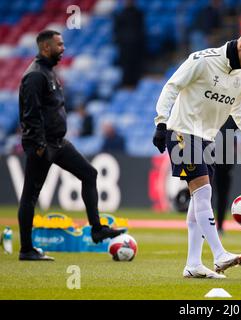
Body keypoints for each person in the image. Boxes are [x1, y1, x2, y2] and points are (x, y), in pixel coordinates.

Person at [153, 30, 241, 279]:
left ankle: (193, 264)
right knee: (204, 192)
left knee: (199, 200)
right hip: (182, 132)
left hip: (206, 139)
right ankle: (219, 254)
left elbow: (238, 109)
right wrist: (161, 122)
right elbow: (172, 86)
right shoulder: (202, 60)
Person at [17, 30, 124, 261]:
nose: (63, 48)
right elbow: (29, 115)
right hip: (42, 144)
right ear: (46, 48)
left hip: (57, 142)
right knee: (30, 196)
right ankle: (26, 249)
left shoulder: (49, 72)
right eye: (59, 44)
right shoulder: (35, 75)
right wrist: (38, 146)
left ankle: (97, 229)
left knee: (89, 173)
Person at [213, 116, 238, 236]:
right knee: (205, 194)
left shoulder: (231, 116)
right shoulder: (227, 116)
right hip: (211, 160)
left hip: (225, 162)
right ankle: (208, 226)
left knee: (222, 196)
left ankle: (220, 226)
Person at [113, 0, 146, 88]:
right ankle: (126, 84)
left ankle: (135, 84)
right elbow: (116, 31)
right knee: (125, 65)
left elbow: (141, 29)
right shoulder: (120, 14)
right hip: (124, 46)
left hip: (136, 45)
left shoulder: (138, 14)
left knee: (136, 64)